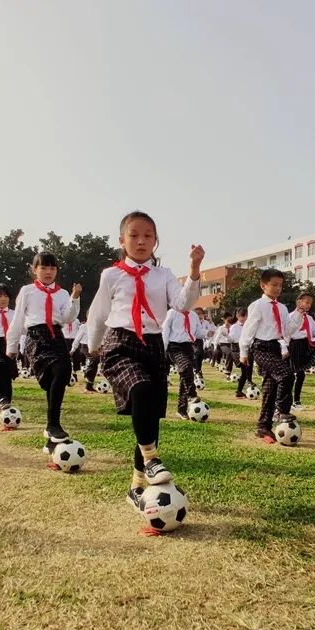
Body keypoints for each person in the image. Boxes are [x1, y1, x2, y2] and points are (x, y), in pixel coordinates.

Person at [86, 211, 204, 514]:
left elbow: (183, 304)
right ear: (122, 240)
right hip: (119, 342)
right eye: (134, 235)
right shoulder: (111, 274)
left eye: (148, 235)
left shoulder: (163, 275)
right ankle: (151, 459)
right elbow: (98, 314)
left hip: (152, 345)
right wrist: (92, 348)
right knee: (140, 390)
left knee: (150, 414)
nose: (141, 241)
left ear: (156, 240)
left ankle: (137, 484)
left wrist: (194, 269)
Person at [7, 252, 82, 454]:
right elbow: (18, 319)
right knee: (50, 379)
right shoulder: (27, 291)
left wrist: (75, 298)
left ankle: (53, 426)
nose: (48, 272)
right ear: (34, 270)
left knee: (63, 370)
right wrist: (11, 347)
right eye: (43, 268)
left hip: (56, 335)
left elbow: (67, 317)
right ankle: (51, 428)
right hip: (36, 336)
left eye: (52, 268)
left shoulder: (62, 293)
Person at [239, 269, 306, 444]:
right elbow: (248, 330)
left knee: (270, 388)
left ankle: (263, 427)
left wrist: (299, 314)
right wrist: (243, 352)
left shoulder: (282, 308)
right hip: (261, 347)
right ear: (263, 285)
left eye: (280, 285)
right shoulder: (257, 306)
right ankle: (282, 410)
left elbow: (288, 330)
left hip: (277, 347)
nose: (278, 288)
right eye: (274, 285)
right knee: (286, 375)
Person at [162, 307, 202, 420]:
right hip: (174, 346)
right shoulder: (171, 313)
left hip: (188, 346)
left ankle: (182, 409)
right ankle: (192, 394)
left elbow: (198, 332)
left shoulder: (193, 315)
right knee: (186, 367)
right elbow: (165, 331)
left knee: (185, 377)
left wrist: (208, 333)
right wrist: (163, 349)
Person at [287, 293, 315, 411]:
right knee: (294, 374)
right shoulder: (290, 316)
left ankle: (297, 399)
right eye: (306, 302)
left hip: (306, 344)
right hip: (294, 345)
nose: (309, 305)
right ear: (299, 302)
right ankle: (291, 400)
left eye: (310, 303)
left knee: (302, 373)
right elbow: (287, 333)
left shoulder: (310, 318)